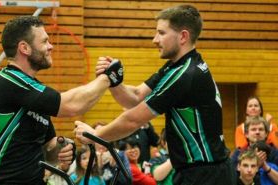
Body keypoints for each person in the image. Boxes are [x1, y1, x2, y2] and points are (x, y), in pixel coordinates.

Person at [75, 4, 236, 185]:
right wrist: (113, 80)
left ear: (183, 36)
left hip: (206, 175)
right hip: (198, 172)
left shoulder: (185, 75)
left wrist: (97, 135)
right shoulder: (175, 67)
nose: (154, 39)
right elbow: (135, 97)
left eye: (161, 33)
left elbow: (134, 119)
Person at [0, 16, 122, 184]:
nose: (51, 46)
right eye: (44, 41)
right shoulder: (7, 80)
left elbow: (48, 149)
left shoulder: (33, 90)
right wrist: (108, 77)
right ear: (24, 48)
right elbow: (71, 105)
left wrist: (62, 147)